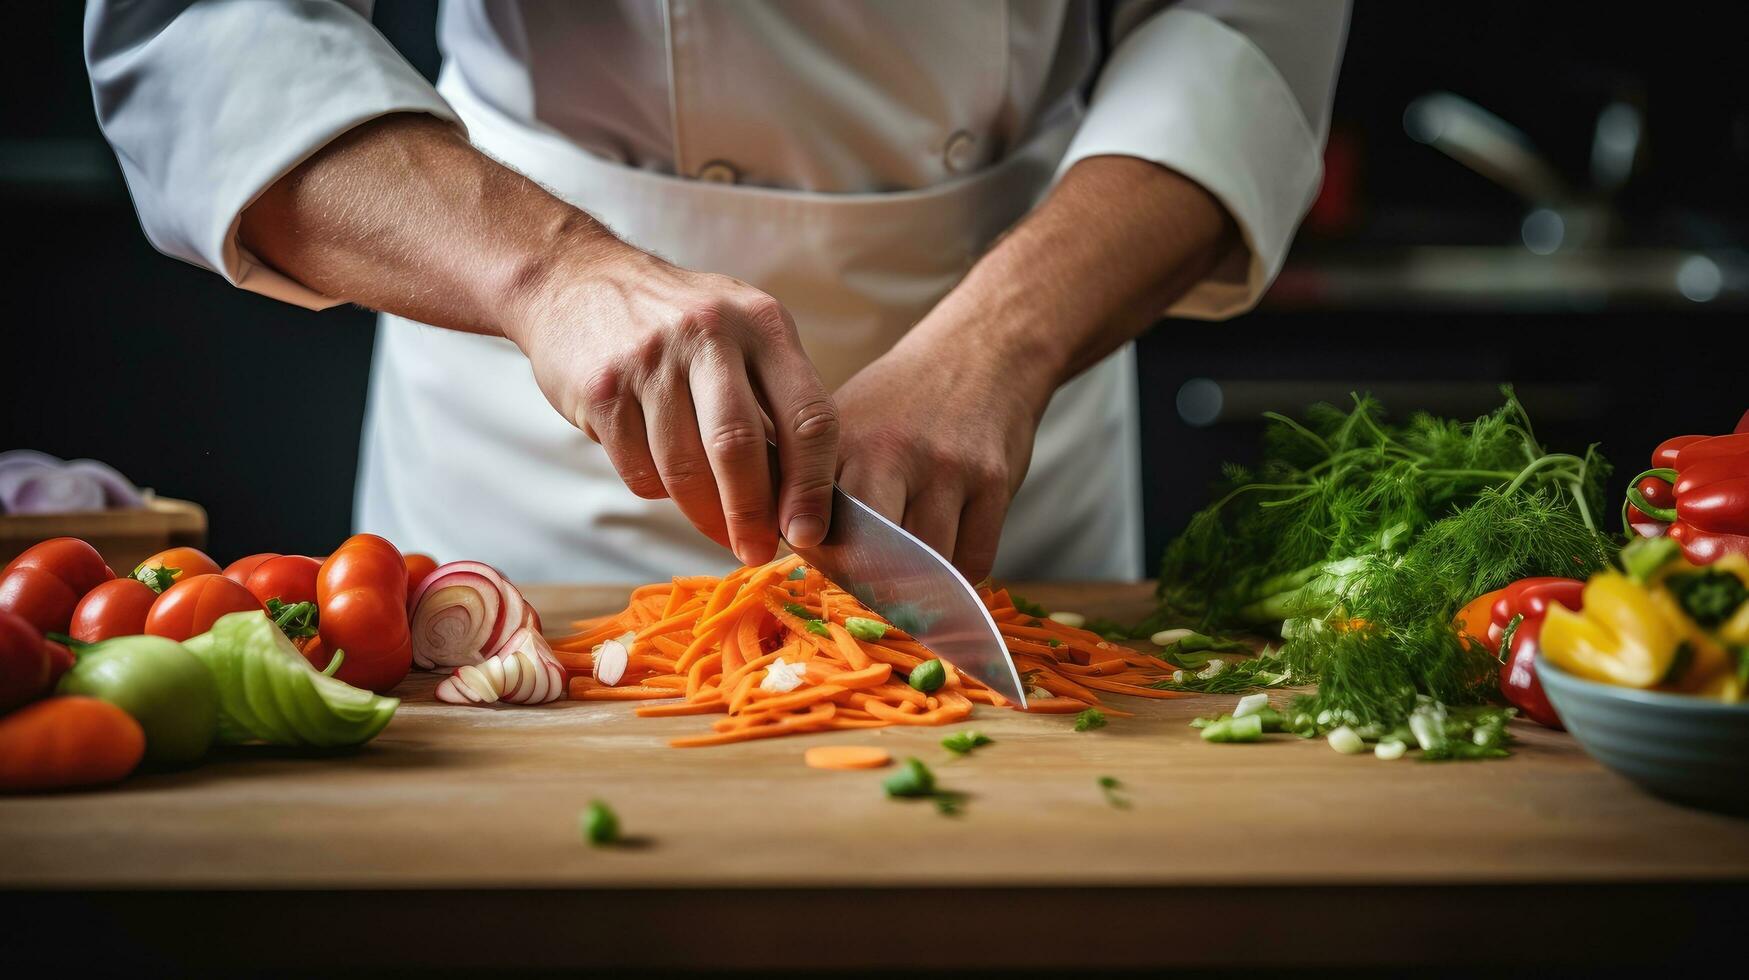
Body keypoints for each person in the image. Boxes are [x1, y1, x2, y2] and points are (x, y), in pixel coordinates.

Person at [85, 0, 1349, 583]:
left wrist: (1004, 344)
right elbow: (207, 27)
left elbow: (1242, 30)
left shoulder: (1013, 352)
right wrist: (551, 271)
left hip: (1013, 411)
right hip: (536, 412)